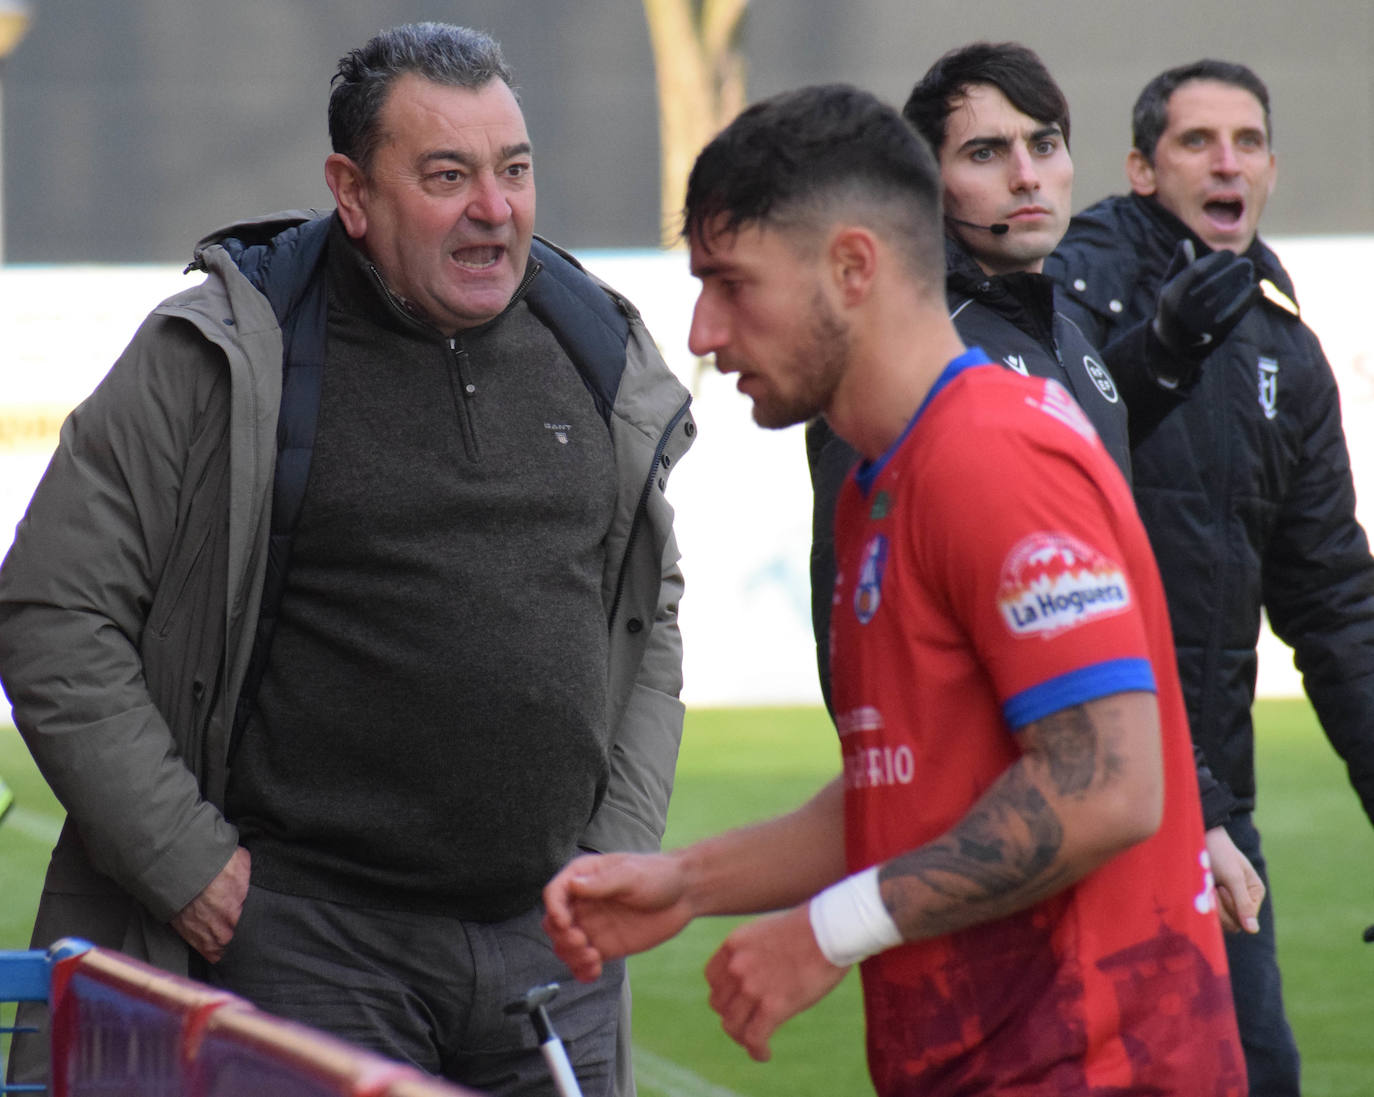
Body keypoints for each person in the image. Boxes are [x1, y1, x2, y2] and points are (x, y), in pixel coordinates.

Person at [0, 22, 694, 1097]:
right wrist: (186, 862)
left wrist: (616, 848)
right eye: (447, 175)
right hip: (306, 950)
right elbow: (53, 609)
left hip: (550, 954)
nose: (494, 209)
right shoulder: (218, 353)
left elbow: (648, 616)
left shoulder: (598, 351)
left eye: (514, 170)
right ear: (353, 192)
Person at [544, 82, 1246, 1096]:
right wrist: (689, 883)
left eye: (730, 283)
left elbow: (1106, 786)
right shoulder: (881, 477)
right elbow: (912, 788)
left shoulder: (992, 455)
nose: (701, 330)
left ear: (852, 267)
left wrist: (829, 930)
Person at [808, 41, 1264, 940]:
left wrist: (1196, 803)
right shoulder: (908, 349)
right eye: (985, 154)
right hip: (1005, 844)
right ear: (926, 183)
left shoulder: (1067, 324)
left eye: (1044, 144)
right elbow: (861, 626)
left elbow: (1102, 593)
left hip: (1122, 803)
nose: (1027, 175)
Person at [1047, 59, 1374, 1097]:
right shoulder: (1067, 295)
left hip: (1212, 796)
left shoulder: (1289, 348)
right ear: (1143, 170)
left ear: (1272, 169)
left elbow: (1334, 602)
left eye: (1245, 142)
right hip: (1070, 787)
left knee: (1254, 1069)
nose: (1225, 161)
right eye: (1196, 142)